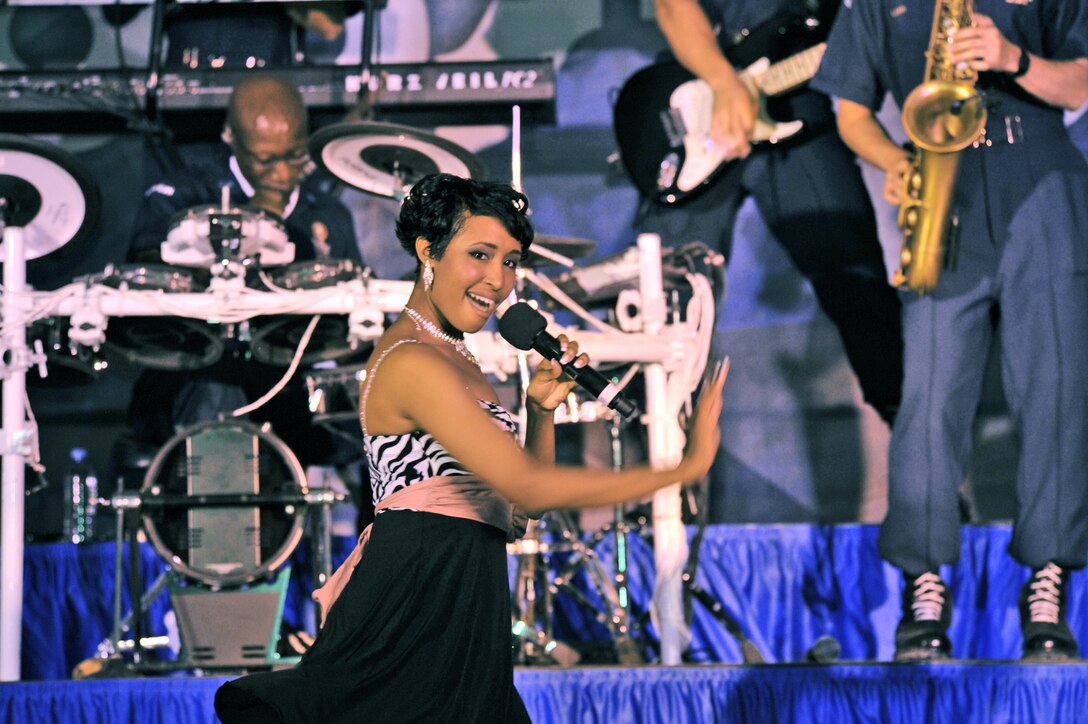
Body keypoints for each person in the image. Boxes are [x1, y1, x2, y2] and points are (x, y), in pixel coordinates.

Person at [212, 173, 729, 723]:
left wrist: (539, 411)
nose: (498, 280)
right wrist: (681, 467)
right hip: (412, 606)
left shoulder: (458, 357)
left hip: (468, 608)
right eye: (480, 254)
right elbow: (530, 486)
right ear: (427, 251)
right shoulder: (412, 360)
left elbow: (521, 512)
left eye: (510, 261)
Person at [811, 0, 1088, 661]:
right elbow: (849, 112)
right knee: (928, 402)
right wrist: (895, 163)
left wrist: (1012, 57)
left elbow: (1081, 82)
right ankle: (925, 586)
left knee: (1055, 394)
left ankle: (1046, 583)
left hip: (1040, 179)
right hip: (941, 185)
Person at [644, 0, 904, 426]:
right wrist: (724, 82)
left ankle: (928, 463)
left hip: (798, 100)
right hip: (698, 98)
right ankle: (654, 462)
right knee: (663, 301)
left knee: (860, 291)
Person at [126, 72, 363, 466]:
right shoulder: (184, 195)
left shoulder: (327, 213)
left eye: (295, 155)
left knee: (387, 411)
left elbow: (351, 317)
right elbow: (148, 274)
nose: (283, 173)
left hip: (291, 383)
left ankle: (374, 526)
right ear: (230, 138)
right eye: (266, 159)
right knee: (220, 387)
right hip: (197, 373)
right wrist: (256, 223)